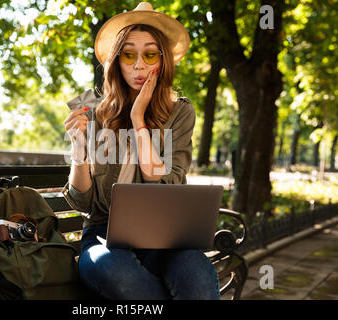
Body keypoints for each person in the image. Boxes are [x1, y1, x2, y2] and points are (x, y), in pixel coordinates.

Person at [61, 2, 219, 300]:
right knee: (116, 272)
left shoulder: (180, 113)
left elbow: (168, 184)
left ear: (163, 61)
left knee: (196, 273)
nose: (138, 65)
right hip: (102, 235)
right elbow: (82, 202)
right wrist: (79, 149)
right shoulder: (90, 110)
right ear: (116, 61)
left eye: (149, 54)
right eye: (129, 55)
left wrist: (138, 119)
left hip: (164, 237)